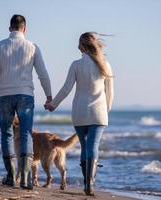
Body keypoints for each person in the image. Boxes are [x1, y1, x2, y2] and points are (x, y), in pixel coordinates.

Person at [0, 14, 52, 189]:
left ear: (10, 28)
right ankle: (26, 179)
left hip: (4, 95)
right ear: (24, 29)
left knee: (6, 133)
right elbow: (42, 73)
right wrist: (49, 95)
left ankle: (11, 175)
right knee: (27, 133)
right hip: (25, 95)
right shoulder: (33, 47)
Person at [44, 32, 114, 196]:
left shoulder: (76, 65)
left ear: (81, 46)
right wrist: (106, 110)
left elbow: (66, 89)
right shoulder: (105, 64)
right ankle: (90, 183)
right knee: (93, 146)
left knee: (85, 147)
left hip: (79, 113)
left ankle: (86, 182)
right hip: (99, 114)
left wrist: (53, 105)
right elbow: (110, 94)